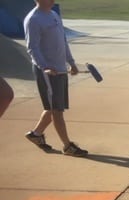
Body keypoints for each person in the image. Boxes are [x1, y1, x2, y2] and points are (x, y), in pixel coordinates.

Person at [23, 0, 87, 156]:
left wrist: (71, 62)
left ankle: (36, 134)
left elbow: (63, 41)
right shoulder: (33, 19)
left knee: (54, 107)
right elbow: (32, 47)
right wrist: (44, 66)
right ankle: (67, 146)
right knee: (56, 110)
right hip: (48, 73)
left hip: (59, 70)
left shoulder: (53, 15)